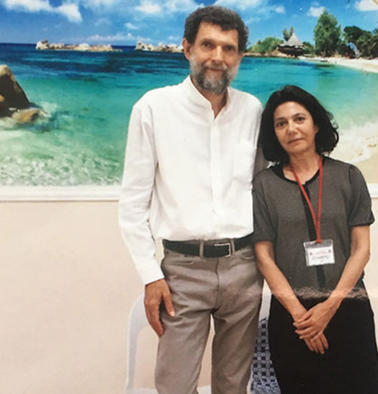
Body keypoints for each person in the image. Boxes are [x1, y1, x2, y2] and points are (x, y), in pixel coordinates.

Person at [118, 5, 263, 394]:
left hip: (244, 268)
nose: (218, 57)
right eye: (208, 45)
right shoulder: (153, 108)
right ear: (186, 48)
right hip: (181, 271)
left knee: (235, 385)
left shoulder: (252, 111)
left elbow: (263, 190)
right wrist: (151, 276)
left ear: (239, 57)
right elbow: (133, 205)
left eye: (229, 48)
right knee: (174, 383)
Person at [252, 85, 378, 394]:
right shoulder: (264, 186)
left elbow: (361, 250)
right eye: (281, 123)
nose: (291, 129)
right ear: (273, 133)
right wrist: (302, 317)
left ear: (316, 124)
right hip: (293, 319)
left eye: (299, 118)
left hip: (348, 306)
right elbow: (263, 258)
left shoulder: (349, 176)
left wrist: (328, 308)